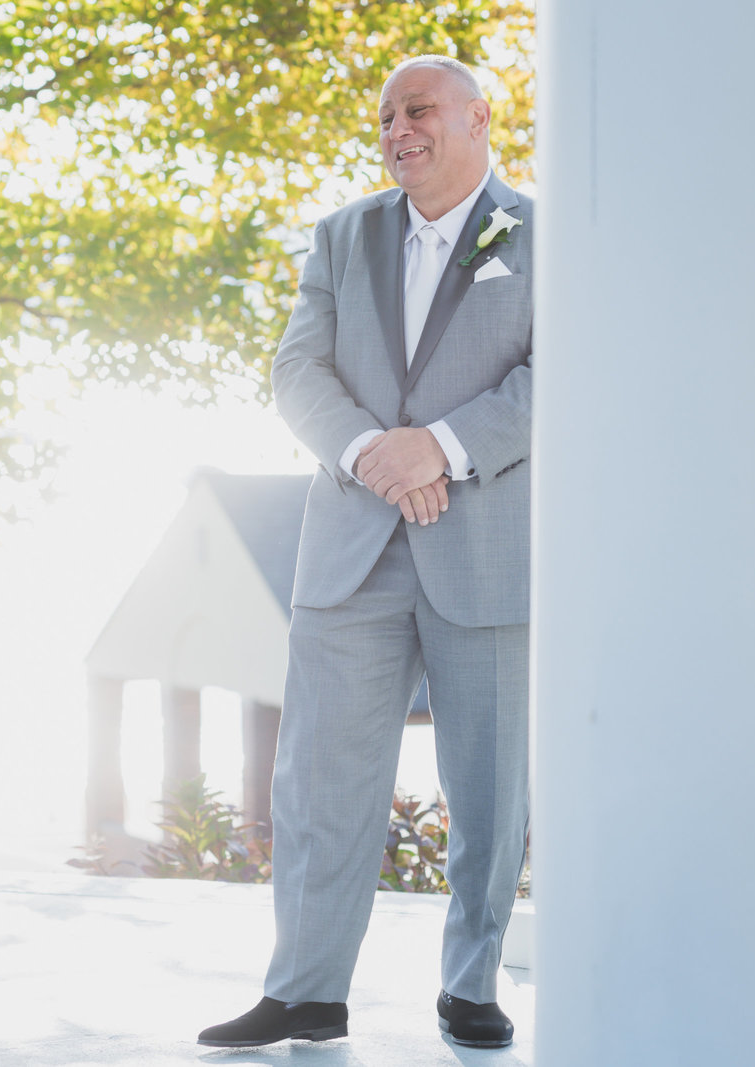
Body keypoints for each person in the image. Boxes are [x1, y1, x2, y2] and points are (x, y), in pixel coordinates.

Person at [199, 54, 534, 1050]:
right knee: (318, 779)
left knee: (486, 783)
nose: (396, 128)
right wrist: (374, 456)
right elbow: (296, 367)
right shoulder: (341, 235)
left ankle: (469, 983)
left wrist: (439, 445)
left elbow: (557, 372)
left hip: (485, 547)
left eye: (417, 109)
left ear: (478, 118)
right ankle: (305, 988)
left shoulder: (546, 235)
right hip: (351, 548)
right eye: (386, 115)